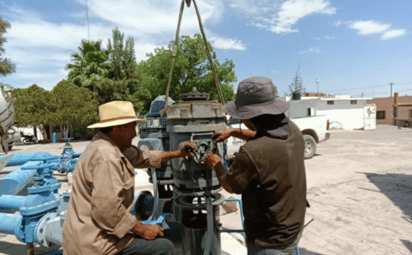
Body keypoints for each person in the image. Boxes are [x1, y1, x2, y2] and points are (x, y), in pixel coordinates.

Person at [62, 101, 196, 255]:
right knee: (165, 248)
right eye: (132, 127)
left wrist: (178, 154)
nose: (134, 133)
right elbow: (108, 211)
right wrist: (143, 230)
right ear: (118, 128)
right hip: (96, 246)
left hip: (92, 236)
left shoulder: (109, 144)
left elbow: (143, 156)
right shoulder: (107, 156)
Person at [204, 77, 307, 255]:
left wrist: (216, 164)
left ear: (250, 117)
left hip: (268, 241)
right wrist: (234, 132)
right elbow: (266, 140)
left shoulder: (251, 153)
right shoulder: (293, 130)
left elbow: (230, 185)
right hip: (293, 225)